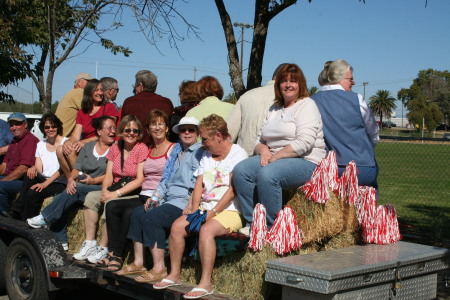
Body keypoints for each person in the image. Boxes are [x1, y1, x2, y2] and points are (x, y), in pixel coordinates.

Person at [153, 114, 248, 299]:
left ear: (218, 136)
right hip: (206, 207)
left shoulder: (238, 154)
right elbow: (199, 185)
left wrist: (212, 212)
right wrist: (196, 208)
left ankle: (205, 283)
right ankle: (174, 274)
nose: (203, 143)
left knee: (206, 230)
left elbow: (232, 191)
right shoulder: (206, 154)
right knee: (177, 226)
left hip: (230, 210)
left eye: (205, 139)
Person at [232, 63, 326, 234]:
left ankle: (271, 227)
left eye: (293, 81)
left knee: (268, 174)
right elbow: (259, 139)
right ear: (278, 85)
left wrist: (275, 158)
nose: (288, 85)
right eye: (283, 81)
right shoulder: (274, 108)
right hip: (275, 157)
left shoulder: (307, 105)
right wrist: (263, 150)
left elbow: (305, 142)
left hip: (305, 160)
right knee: (241, 171)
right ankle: (253, 222)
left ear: (301, 84)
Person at [119, 116, 203, 283]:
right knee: (137, 213)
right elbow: (166, 180)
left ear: (197, 133)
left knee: (152, 218)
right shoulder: (177, 152)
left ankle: (160, 268)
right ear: (178, 133)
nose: (186, 133)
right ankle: (139, 262)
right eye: (183, 129)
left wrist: (191, 204)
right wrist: (155, 197)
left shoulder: (200, 152)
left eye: (191, 129)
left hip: (182, 201)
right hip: (169, 198)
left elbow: (200, 183)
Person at [27, 116, 116, 250]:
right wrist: (70, 179)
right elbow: (76, 168)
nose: (113, 131)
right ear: (99, 131)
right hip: (83, 185)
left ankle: (45, 218)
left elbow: (111, 174)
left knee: (75, 189)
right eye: (109, 128)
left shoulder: (115, 149)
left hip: (100, 186)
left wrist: (93, 180)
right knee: (63, 196)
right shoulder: (88, 147)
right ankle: (62, 240)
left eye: (114, 128)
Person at [101, 110, 175, 268]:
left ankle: (119, 255)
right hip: (143, 193)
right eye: (153, 124)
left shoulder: (173, 149)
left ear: (167, 128)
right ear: (148, 130)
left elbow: (173, 177)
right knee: (113, 206)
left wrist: (158, 197)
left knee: (130, 212)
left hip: (158, 196)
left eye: (161, 124)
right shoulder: (149, 149)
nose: (157, 127)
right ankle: (112, 251)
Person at [74, 115, 147, 269]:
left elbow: (139, 179)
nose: (131, 133)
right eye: (127, 129)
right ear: (122, 130)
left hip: (131, 190)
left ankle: (104, 247)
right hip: (114, 187)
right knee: (91, 197)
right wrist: (105, 190)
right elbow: (109, 174)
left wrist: (115, 194)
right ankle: (89, 242)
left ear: (139, 132)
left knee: (110, 203)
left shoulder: (141, 148)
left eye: (135, 130)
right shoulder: (115, 147)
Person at [311, 59, 379, 189]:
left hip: (329, 169)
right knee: (369, 197)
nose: (353, 82)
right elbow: (373, 131)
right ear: (340, 78)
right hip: (361, 168)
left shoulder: (312, 101)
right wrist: (367, 148)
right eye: (350, 79)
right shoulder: (356, 98)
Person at [7, 113, 67, 220]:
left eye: (53, 126)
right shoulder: (41, 144)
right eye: (47, 127)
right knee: (29, 174)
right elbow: (39, 170)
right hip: (44, 178)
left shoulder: (66, 142)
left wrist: (44, 184)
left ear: (58, 127)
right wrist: (33, 168)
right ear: (43, 129)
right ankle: (17, 211)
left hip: (59, 182)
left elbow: (63, 169)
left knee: (33, 193)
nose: (50, 129)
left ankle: (25, 219)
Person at [57, 79, 119, 180]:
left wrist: (84, 142)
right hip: (87, 145)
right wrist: (68, 142)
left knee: (71, 150)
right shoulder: (82, 112)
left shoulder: (109, 107)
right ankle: (72, 182)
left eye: (101, 90)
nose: (100, 93)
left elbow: (109, 132)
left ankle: (83, 179)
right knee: (61, 149)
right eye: (96, 90)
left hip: (103, 143)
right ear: (89, 92)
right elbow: (76, 135)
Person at [226, 64, 286, 156]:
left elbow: (228, 133)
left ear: (274, 76)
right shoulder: (295, 99)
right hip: (279, 159)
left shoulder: (247, 96)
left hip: (245, 158)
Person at [0, 112, 39, 217]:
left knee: (0, 186)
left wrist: (3, 180)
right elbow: (4, 166)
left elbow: (23, 169)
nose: (14, 127)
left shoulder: (30, 140)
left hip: (24, 181)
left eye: (17, 124)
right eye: (11, 125)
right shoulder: (14, 141)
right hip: (12, 177)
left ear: (25, 125)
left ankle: (4, 219)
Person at [121, 70, 174, 145]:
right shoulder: (166, 102)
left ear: (140, 86)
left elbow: (123, 128)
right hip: (159, 148)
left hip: (134, 148)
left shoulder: (129, 102)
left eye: (135, 86)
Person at [56, 73, 94, 137]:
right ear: (79, 82)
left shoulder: (71, 92)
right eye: (88, 81)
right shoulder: (79, 92)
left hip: (61, 135)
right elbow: (91, 111)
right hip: (64, 137)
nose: (90, 84)